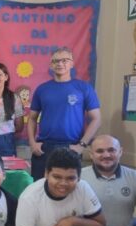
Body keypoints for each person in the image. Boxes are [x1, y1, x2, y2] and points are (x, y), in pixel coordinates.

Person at [27, 47, 101, 180]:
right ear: (51, 65)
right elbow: (32, 118)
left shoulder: (83, 88)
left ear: (72, 64)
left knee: (68, 189)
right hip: (44, 147)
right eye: (56, 61)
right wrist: (33, 143)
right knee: (38, 188)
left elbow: (96, 119)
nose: (60, 64)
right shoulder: (42, 89)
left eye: (65, 60)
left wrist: (81, 145)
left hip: (71, 146)